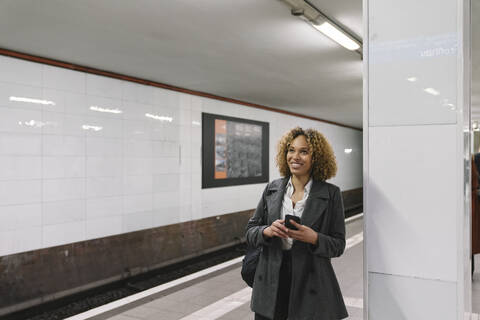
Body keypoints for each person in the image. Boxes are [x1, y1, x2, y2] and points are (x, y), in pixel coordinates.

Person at [246, 127, 348, 320]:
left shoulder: (331, 193)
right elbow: (250, 231)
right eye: (291, 150)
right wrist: (267, 231)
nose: (295, 156)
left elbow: (338, 245)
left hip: (310, 282)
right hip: (271, 280)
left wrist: (315, 238)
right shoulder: (273, 189)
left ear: (316, 157)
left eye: (304, 151)